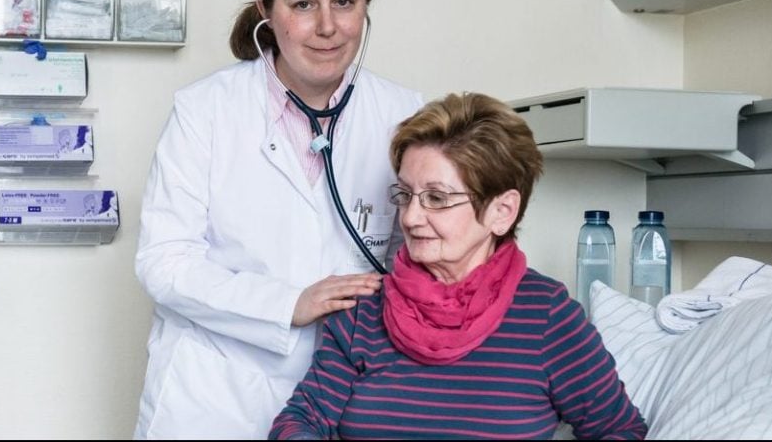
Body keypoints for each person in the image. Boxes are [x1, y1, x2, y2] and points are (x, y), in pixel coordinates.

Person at [133, 0, 424, 440]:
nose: (328, 27)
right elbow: (163, 262)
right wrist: (289, 303)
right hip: (213, 396)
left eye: (345, 1)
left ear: (365, 5)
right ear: (266, 9)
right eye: (302, 5)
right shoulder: (206, 111)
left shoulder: (404, 115)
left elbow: (427, 251)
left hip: (348, 395)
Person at [270, 93, 647, 440]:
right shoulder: (362, 312)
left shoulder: (547, 317)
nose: (411, 217)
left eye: (436, 198)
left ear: (502, 211)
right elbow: (300, 421)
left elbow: (621, 430)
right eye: (405, 195)